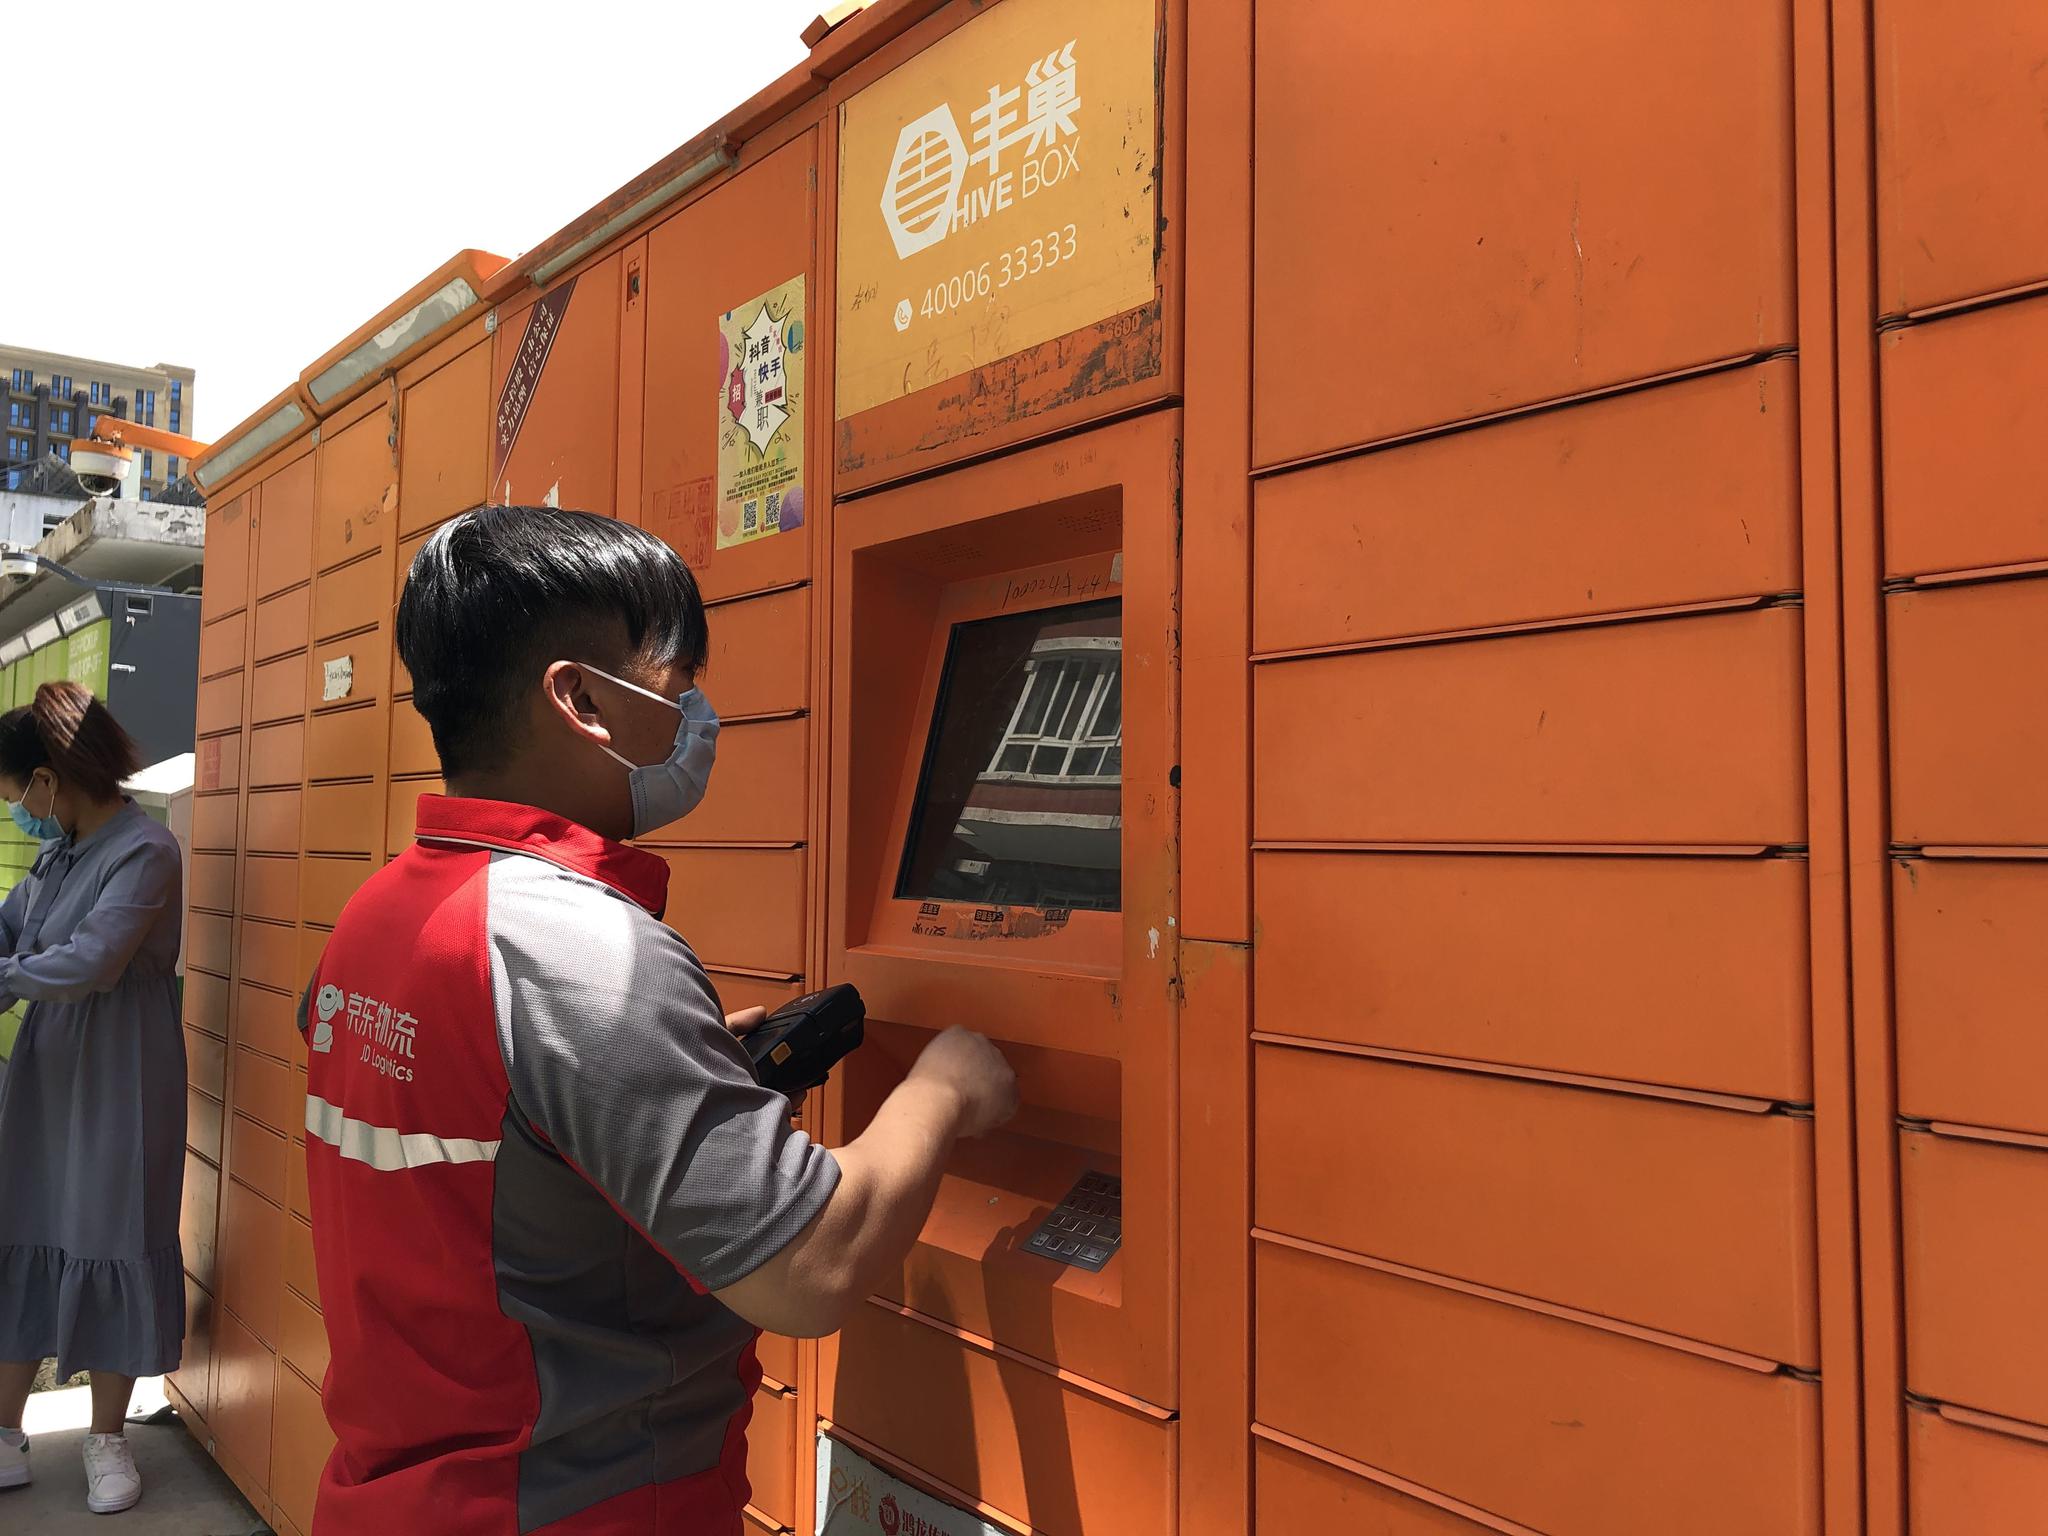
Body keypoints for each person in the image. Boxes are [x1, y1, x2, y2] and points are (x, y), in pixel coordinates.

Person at [298, 505, 1017, 1535]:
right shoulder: (584, 952)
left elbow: (486, 1149)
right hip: (576, 1508)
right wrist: (942, 1091)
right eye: (678, 687)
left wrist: (661, 1084)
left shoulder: (377, 916)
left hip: (396, 1498)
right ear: (584, 700)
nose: (697, 718)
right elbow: (810, 1268)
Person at [0, 682, 186, 1516]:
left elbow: (92, 961)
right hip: (49, 1069)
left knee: (114, 1230)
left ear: (48, 779)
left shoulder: (146, 851)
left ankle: (107, 1439)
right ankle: (6, 1432)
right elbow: (12, 934)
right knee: (27, 1226)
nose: (17, 813)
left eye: (16, 796)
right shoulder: (56, 855)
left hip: (122, 1071)